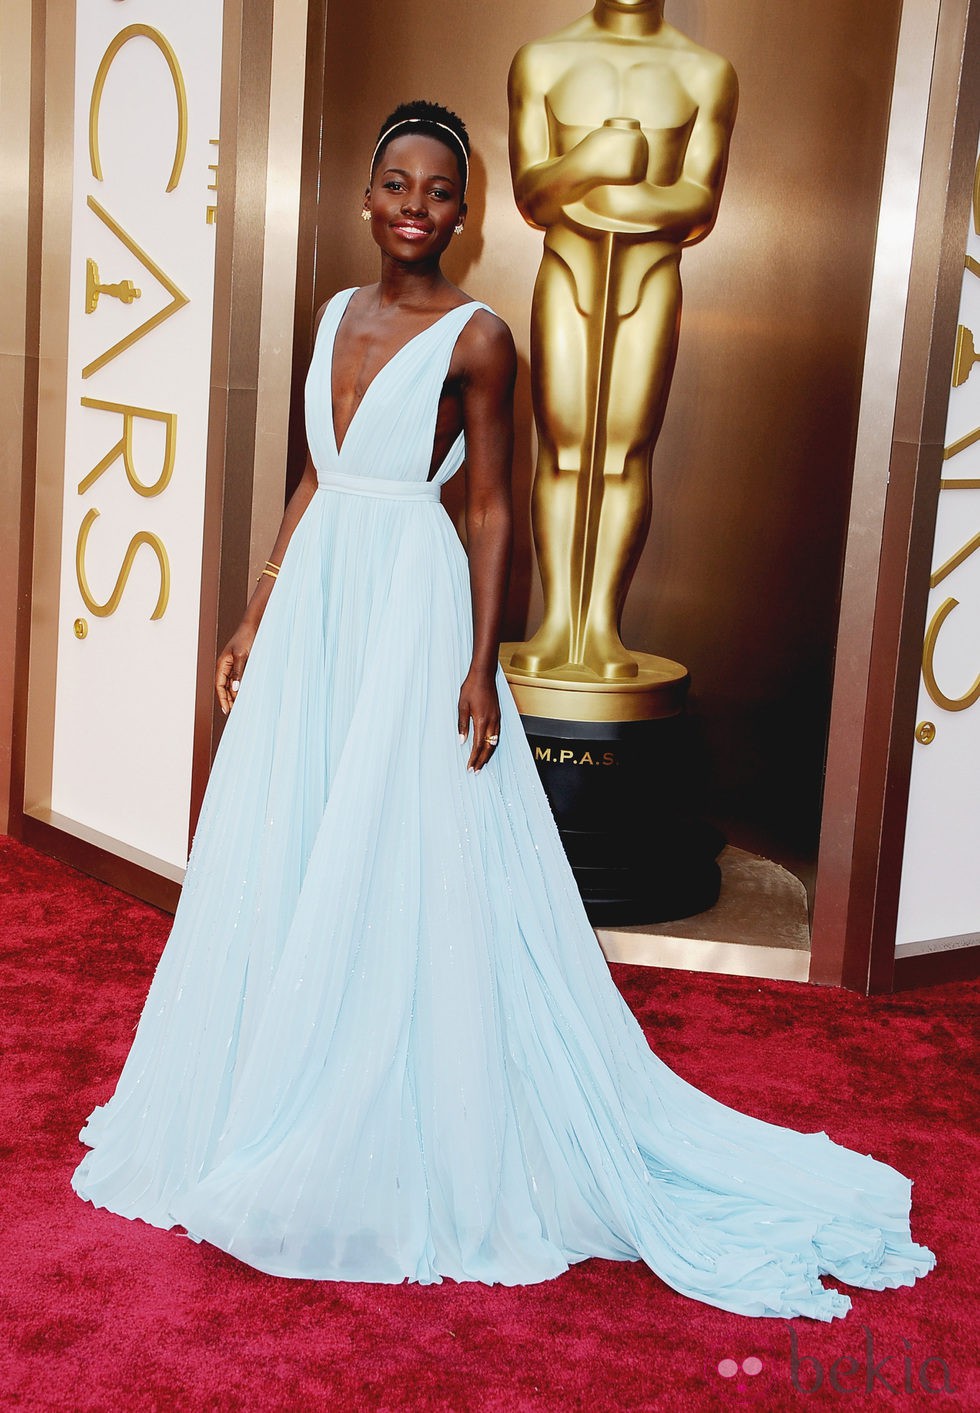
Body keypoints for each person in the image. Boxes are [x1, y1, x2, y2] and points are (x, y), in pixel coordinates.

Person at [72, 100, 935, 1320]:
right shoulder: (330, 318)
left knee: (400, 842)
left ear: (463, 215)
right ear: (364, 197)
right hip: (321, 601)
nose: (414, 208)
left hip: (412, 610)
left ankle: (382, 1089)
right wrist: (258, 611)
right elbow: (318, 469)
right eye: (395, 186)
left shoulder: (480, 339)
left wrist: (482, 666)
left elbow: (489, 511)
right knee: (292, 832)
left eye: (437, 192)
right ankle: (261, 1079)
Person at [507, 0, 737, 680]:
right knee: (564, 446)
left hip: (651, 278)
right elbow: (532, 193)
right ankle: (556, 623)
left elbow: (700, 203)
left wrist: (619, 197)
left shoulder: (705, 73)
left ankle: (601, 624)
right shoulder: (542, 60)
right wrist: (591, 161)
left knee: (625, 452)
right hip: (569, 273)